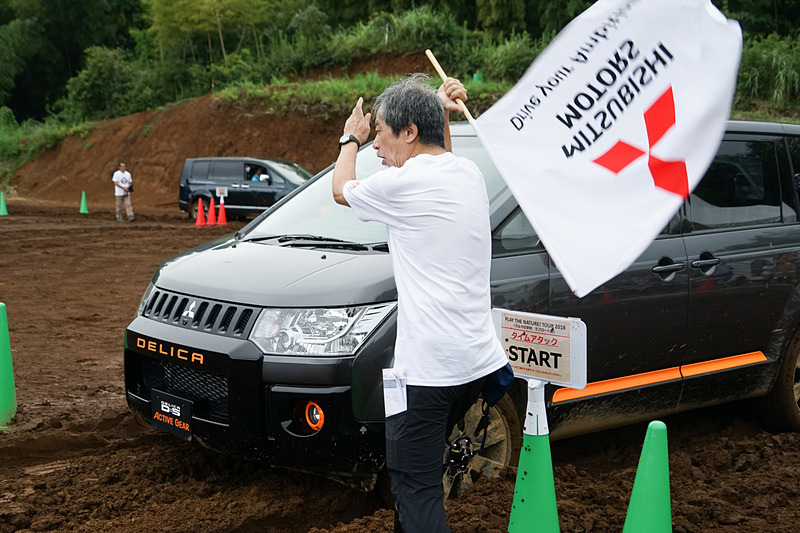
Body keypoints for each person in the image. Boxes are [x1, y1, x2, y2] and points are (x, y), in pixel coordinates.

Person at [332, 74, 508, 532]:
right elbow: (442, 154)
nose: (377, 145)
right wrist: (442, 112)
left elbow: (339, 188)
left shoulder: (401, 185)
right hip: (474, 362)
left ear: (410, 132)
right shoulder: (466, 173)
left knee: (414, 485)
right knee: (419, 478)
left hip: (427, 372)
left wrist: (350, 137)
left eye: (383, 132)